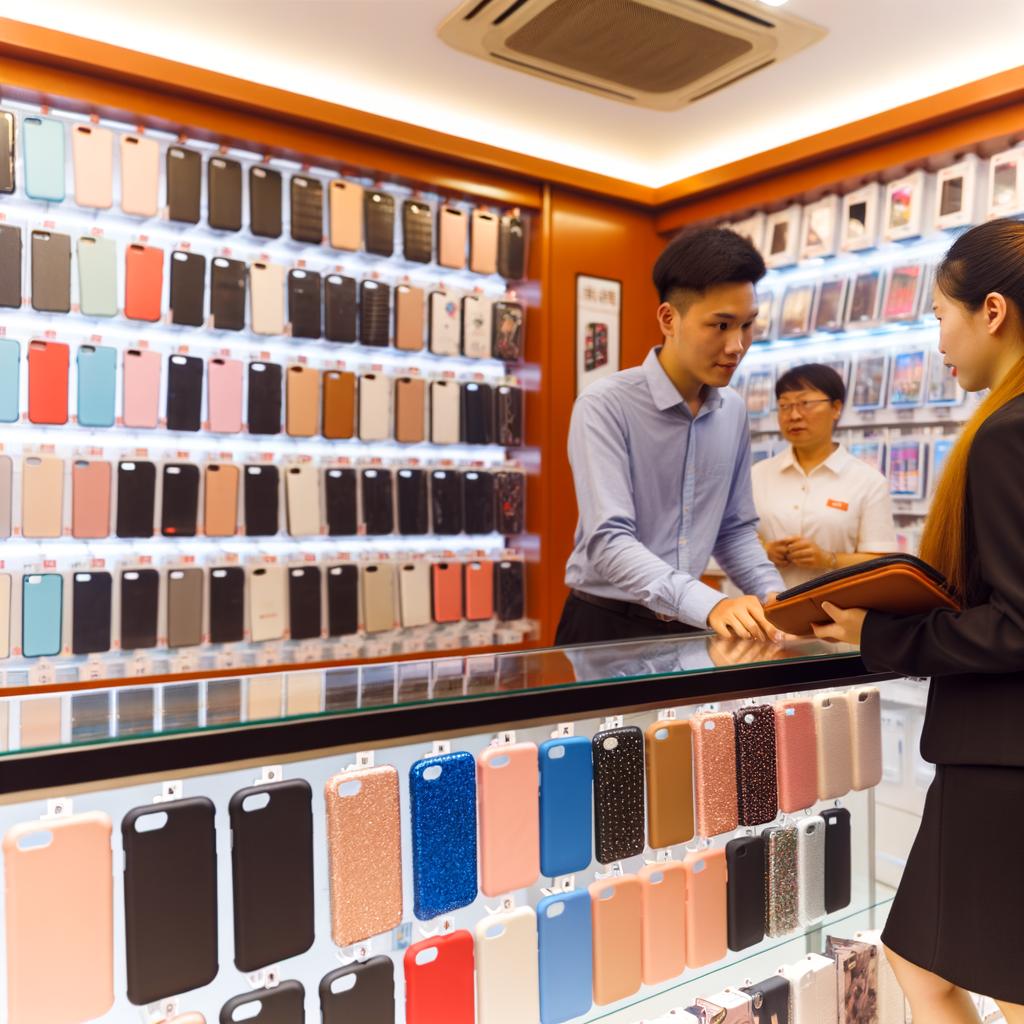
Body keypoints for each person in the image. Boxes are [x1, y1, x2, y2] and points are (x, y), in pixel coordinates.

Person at [814, 219, 1024, 1024]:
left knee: (976, 972)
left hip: (1001, 758)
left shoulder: (1008, 434)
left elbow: (1018, 625)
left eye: (941, 315)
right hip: (998, 757)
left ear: (992, 311)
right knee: (929, 960)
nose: (938, 342)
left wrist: (878, 633)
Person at [556, 227, 785, 646]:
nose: (737, 345)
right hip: (605, 625)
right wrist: (711, 604)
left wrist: (777, 598)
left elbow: (733, 530)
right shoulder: (605, 405)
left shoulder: (732, 410)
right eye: (720, 325)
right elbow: (609, 542)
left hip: (690, 622)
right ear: (668, 319)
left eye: (748, 325)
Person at [752, 362, 898, 589]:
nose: (794, 415)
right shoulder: (757, 475)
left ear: (836, 408)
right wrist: (765, 550)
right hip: (765, 605)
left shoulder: (868, 482)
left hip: (835, 607)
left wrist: (828, 559)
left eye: (805, 403)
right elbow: (734, 537)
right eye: (784, 405)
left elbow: (882, 563)